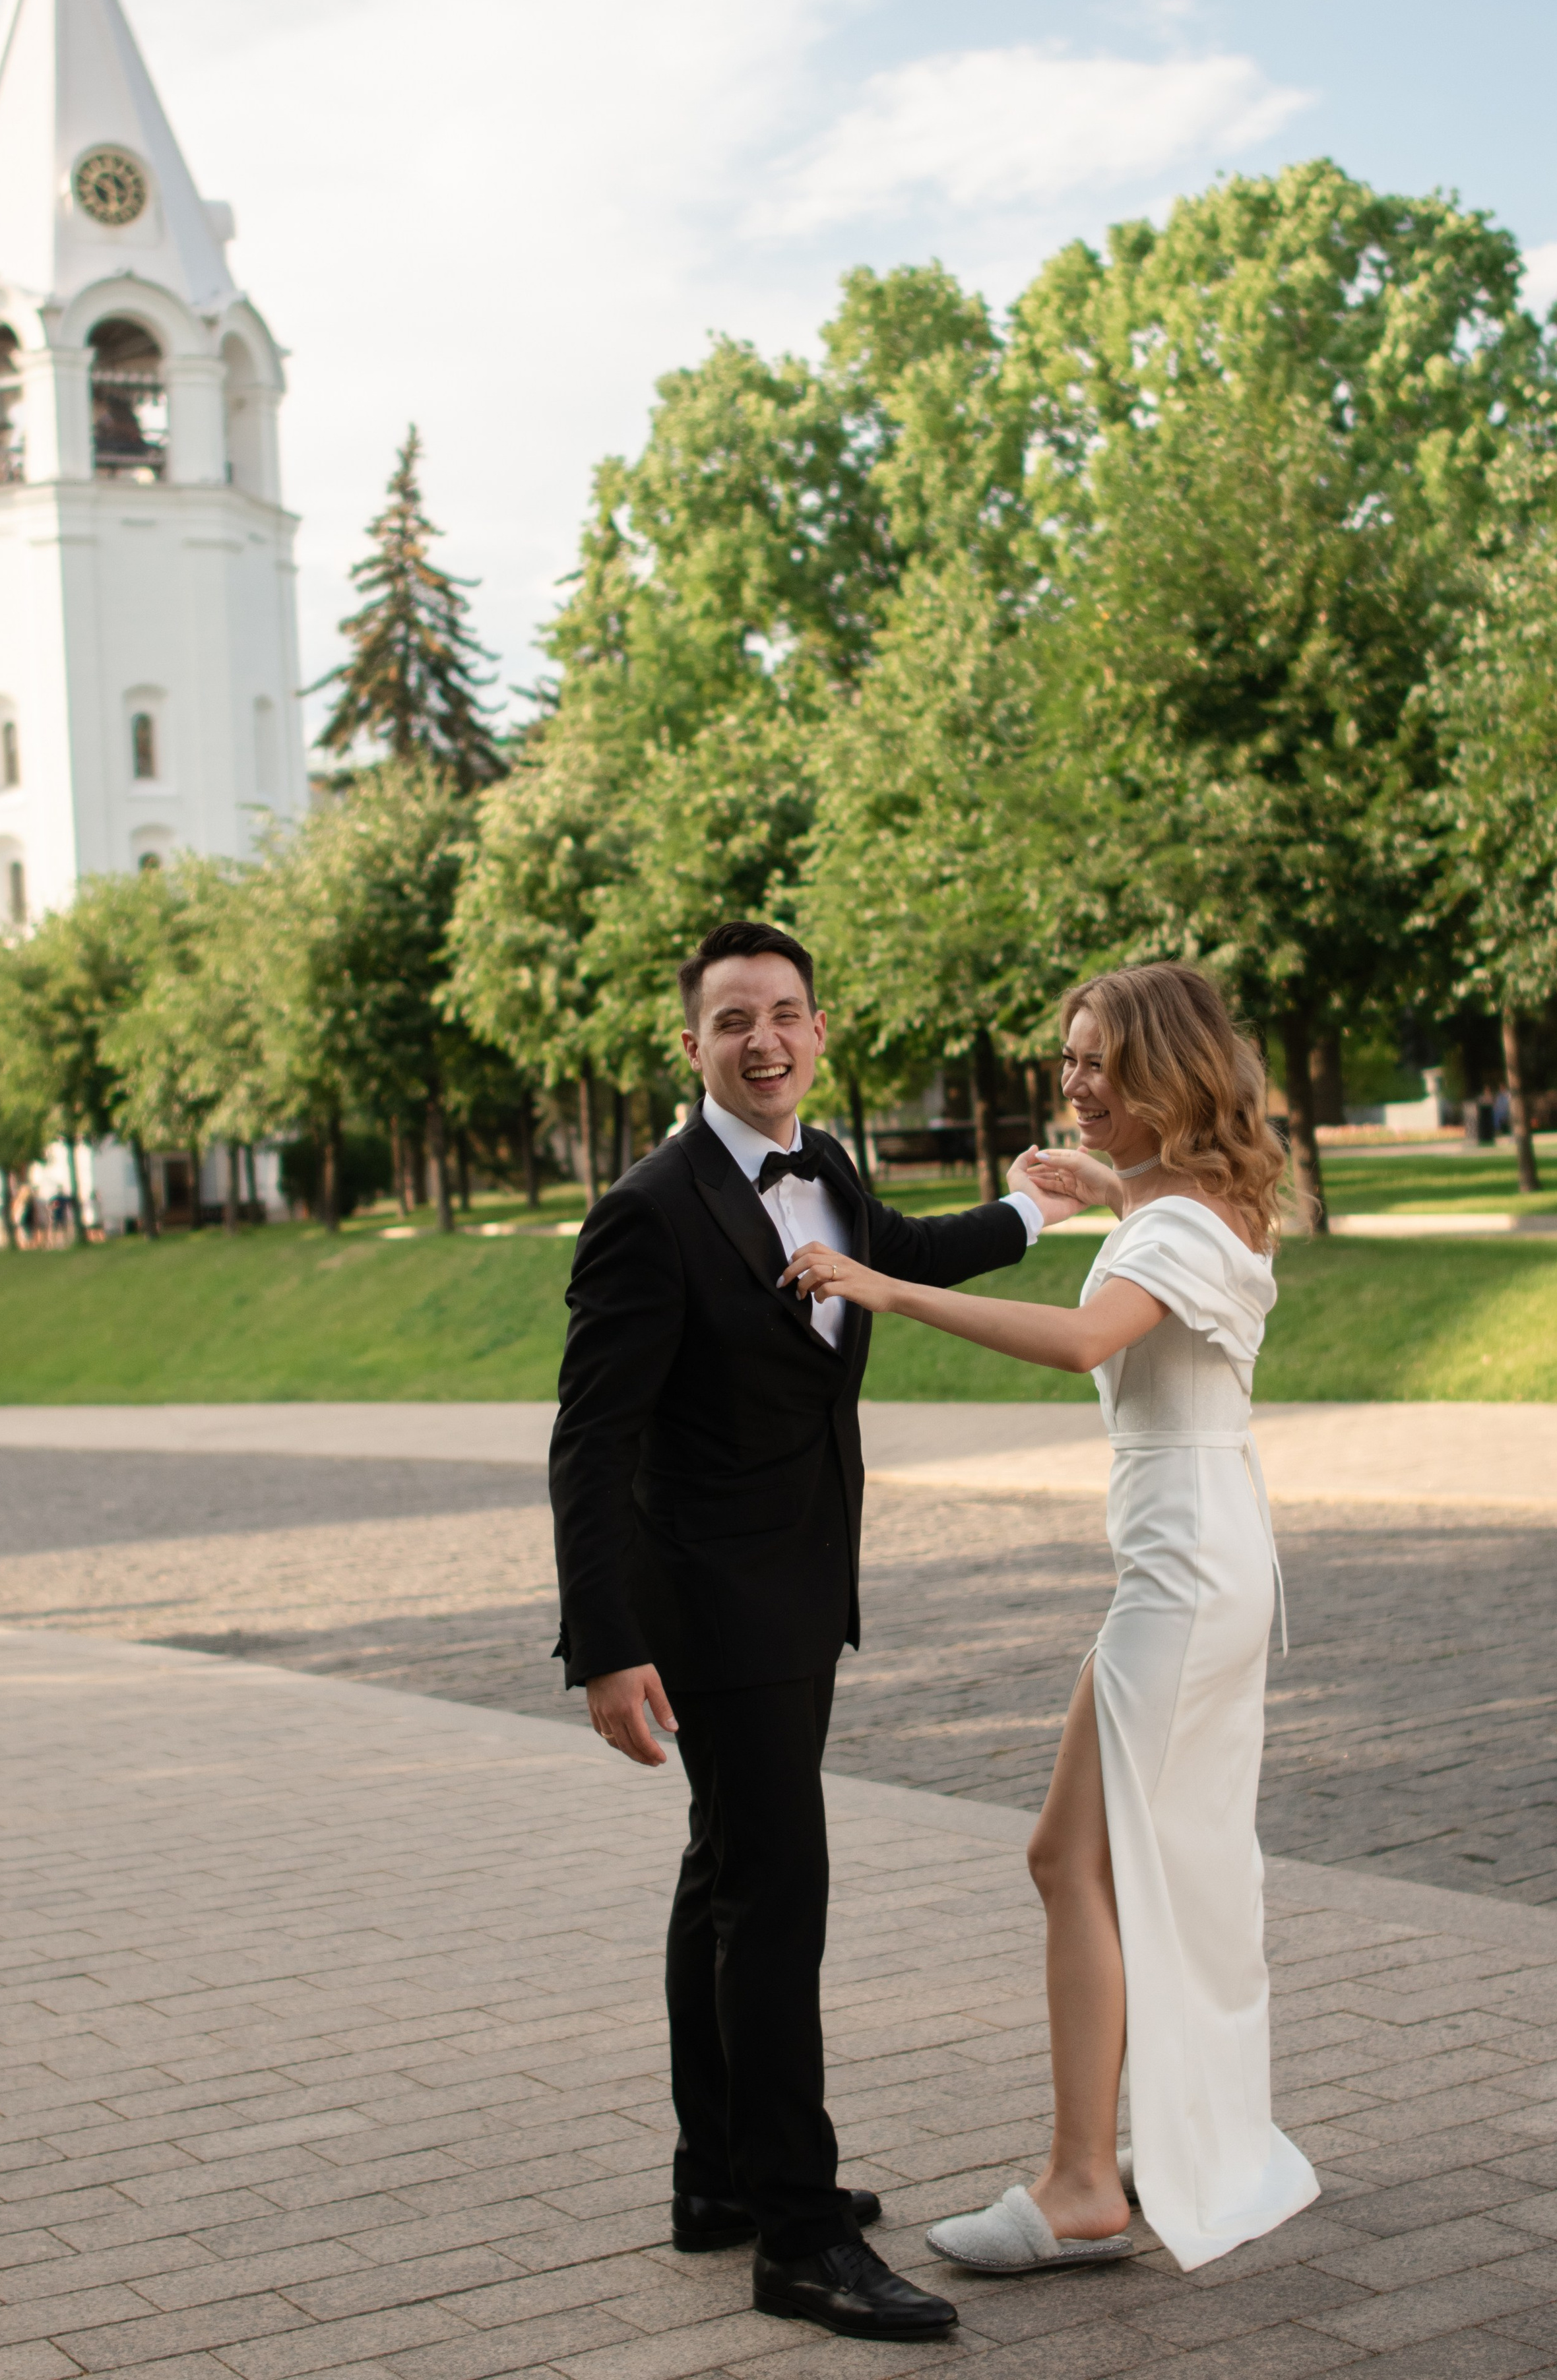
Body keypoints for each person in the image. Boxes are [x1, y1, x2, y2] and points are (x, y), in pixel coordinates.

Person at [550, 920, 1049, 2344]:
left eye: (783, 1014)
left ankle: (718, 2179)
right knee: (777, 1899)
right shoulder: (650, 1208)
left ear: (817, 1030)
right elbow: (590, 1444)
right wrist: (605, 1642)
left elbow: (898, 1253)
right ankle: (798, 2233)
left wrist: (1026, 1210)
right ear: (691, 1045)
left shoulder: (829, 1163)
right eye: (730, 1021)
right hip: (712, 1608)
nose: (760, 1040)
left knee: (726, 1878)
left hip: (802, 1583)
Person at [782, 961, 1320, 2278]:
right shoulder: (1199, 1198)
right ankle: (1169, 2137)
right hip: (1194, 1562)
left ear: (1162, 1075)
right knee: (1116, 1862)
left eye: (1093, 1064)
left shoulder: (1178, 1227)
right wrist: (1108, 1187)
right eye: (1067, 1059)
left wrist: (883, 1286)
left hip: (1183, 1575)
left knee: (1079, 1862)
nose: (1068, 1084)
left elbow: (1086, 1341)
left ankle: (1082, 2181)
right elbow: (1160, 1234)